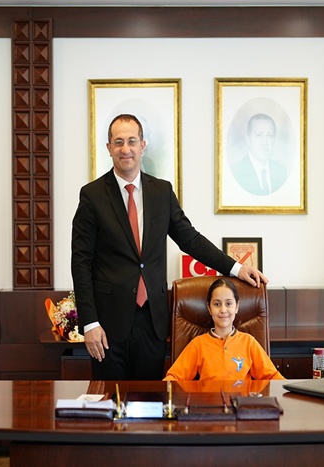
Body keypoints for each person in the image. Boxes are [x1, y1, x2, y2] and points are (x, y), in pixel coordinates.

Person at [72, 114, 268, 381]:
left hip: (152, 321)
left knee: (149, 400)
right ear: (109, 148)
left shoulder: (161, 192)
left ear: (143, 145)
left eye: (132, 141)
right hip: (107, 325)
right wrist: (90, 323)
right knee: (110, 401)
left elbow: (190, 239)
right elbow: (80, 262)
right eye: (118, 142)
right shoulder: (92, 195)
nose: (125, 148)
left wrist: (236, 268)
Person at [164, 278, 284, 382]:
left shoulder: (249, 342)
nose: (223, 310)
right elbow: (174, 377)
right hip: (208, 400)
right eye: (217, 304)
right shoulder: (198, 344)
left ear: (237, 306)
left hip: (241, 401)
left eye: (228, 304)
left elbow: (273, 377)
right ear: (209, 308)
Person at [231, 113, 288, 196]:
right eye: (259, 135)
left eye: (269, 135)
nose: (264, 142)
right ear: (248, 138)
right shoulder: (236, 171)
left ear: (274, 139)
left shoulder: (281, 171)